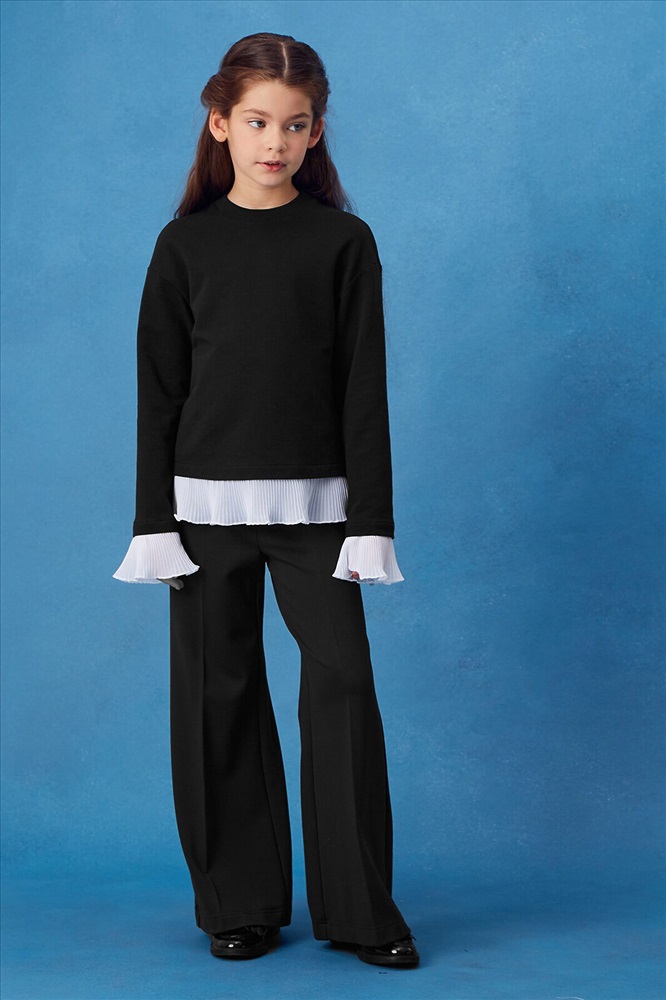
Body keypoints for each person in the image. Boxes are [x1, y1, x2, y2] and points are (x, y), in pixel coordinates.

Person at [113, 31, 419, 969]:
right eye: (256, 122)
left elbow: (363, 392)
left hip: (318, 511)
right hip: (201, 513)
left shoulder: (343, 243)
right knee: (218, 696)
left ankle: (361, 911)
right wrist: (152, 524)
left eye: (293, 124)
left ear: (316, 132)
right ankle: (237, 904)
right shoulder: (185, 246)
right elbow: (158, 395)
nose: (274, 141)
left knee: (342, 684)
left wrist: (371, 520)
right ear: (219, 124)